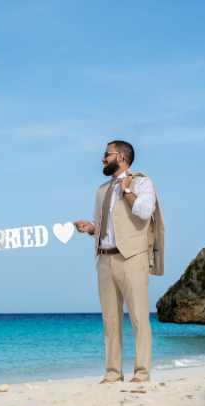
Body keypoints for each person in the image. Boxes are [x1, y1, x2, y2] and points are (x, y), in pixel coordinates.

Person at [74, 141, 165, 384]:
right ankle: (113, 373)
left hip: (132, 258)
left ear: (121, 156)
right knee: (110, 321)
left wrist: (126, 191)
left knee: (138, 318)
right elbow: (102, 223)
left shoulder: (142, 182)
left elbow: (145, 211)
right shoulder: (102, 189)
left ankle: (142, 373)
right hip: (104, 259)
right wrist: (89, 228)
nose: (103, 159)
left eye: (106, 154)